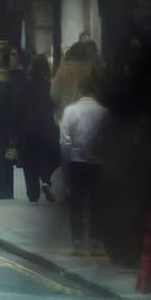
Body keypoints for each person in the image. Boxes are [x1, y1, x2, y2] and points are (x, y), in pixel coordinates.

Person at [60, 71, 109, 256]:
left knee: (77, 202)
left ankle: (78, 243)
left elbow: (65, 141)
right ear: (96, 89)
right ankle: (96, 242)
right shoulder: (104, 112)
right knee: (98, 203)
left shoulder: (70, 111)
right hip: (98, 164)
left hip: (77, 163)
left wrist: (66, 165)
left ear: (80, 89)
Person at [14, 53, 61, 202]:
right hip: (46, 128)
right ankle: (46, 181)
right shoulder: (50, 87)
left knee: (29, 163)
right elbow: (56, 106)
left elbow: (17, 109)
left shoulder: (24, 87)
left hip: (27, 130)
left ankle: (32, 193)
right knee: (47, 158)